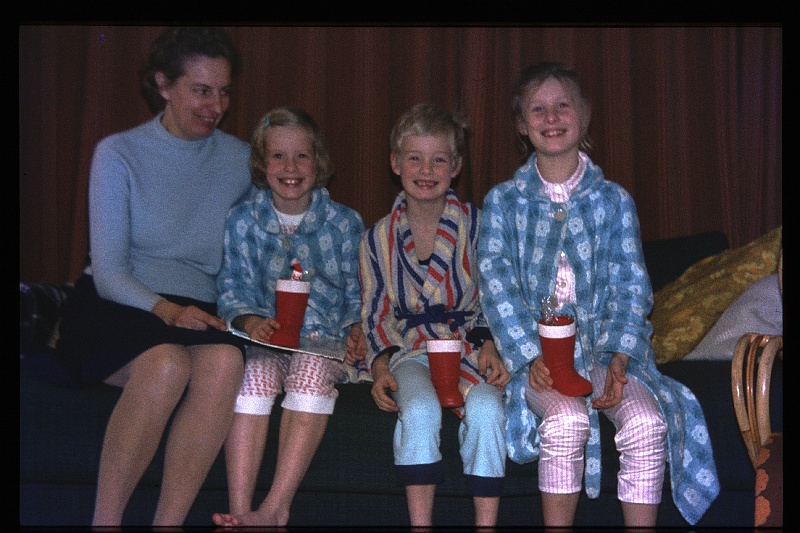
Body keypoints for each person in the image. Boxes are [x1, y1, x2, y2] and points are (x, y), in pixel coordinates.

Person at [477, 61, 720, 527]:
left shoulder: (614, 200)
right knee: (567, 420)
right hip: (542, 362)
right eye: (538, 109)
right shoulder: (503, 202)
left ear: (584, 116)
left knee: (648, 424)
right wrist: (531, 358)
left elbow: (632, 286)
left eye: (562, 106)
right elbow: (497, 287)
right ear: (522, 125)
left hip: (607, 353)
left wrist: (619, 357)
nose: (551, 118)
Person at [55, 27, 252, 526]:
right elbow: (110, 272)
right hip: (121, 302)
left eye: (224, 91)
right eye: (201, 90)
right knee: (165, 364)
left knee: (226, 363)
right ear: (164, 85)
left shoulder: (239, 160)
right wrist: (167, 311)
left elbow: (255, 251)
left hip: (198, 306)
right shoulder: (117, 153)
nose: (216, 105)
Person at [211, 106, 368, 528]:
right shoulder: (243, 220)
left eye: (302, 156)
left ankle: (277, 507)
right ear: (262, 165)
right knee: (252, 379)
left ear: (319, 163)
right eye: (278, 156)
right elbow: (232, 285)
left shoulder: (344, 223)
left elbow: (361, 291)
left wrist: (356, 328)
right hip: (269, 341)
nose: (291, 167)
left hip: (325, 343)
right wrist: (246, 321)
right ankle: (242, 511)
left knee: (309, 374)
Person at [360, 103, 511, 528]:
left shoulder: (480, 226)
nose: (426, 169)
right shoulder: (376, 239)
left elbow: (498, 296)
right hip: (411, 350)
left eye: (439, 159)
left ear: (456, 167)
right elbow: (374, 311)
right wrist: (380, 365)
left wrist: (491, 345)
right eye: (414, 158)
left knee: (486, 407)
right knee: (421, 410)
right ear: (395, 163)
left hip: (467, 346)